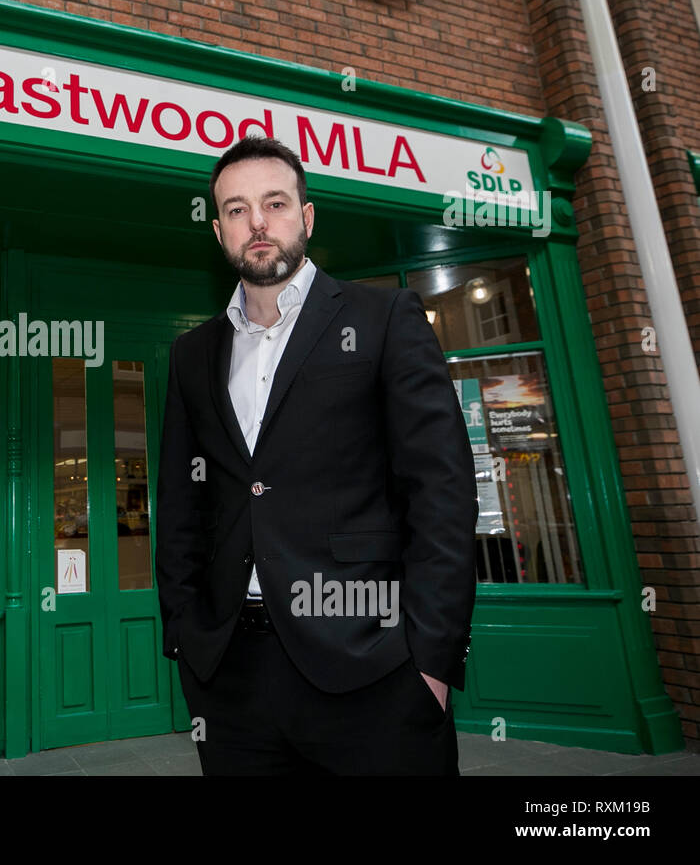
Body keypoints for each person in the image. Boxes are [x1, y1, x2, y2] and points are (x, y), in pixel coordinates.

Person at [156, 136, 477, 775]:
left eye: (274, 203)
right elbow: (181, 507)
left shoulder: (384, 317)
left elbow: (440, 492)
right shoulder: (192, 355)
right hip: (232, 676)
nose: (258, 223)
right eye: (238, 209)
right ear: (218, 229)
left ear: (305, 217)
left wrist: (431, 663)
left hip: (373, 662)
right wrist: (186, 637)